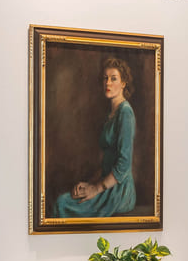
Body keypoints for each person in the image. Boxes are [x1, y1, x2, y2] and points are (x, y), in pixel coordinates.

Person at [53, 55, 138, 218]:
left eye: (114, 78)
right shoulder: (111, 115)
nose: (108, 83)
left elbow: (123, 164)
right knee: (63, 201)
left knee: (62, 204)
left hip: (119, 191)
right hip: (105, 183)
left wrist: (96, 188)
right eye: (105, 78)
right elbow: (107, 160)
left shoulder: (125, 113)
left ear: (123, 83)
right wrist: (90, 184)